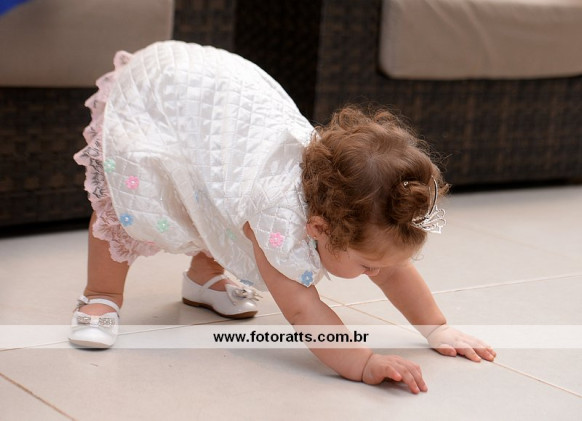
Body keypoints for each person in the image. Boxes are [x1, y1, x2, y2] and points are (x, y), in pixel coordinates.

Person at [70, 41, 496, 394]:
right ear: (318, 229)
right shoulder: (277, 222)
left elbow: (393, 271)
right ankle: (101, 296)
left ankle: (203, 279)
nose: (376, 273)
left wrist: (437, 329)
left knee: (214, 195)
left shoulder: (345, 202)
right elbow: (304, 311)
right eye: (368, 266)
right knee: (128, 201)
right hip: (169, 97)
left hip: (225, 115)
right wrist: (362, 362)